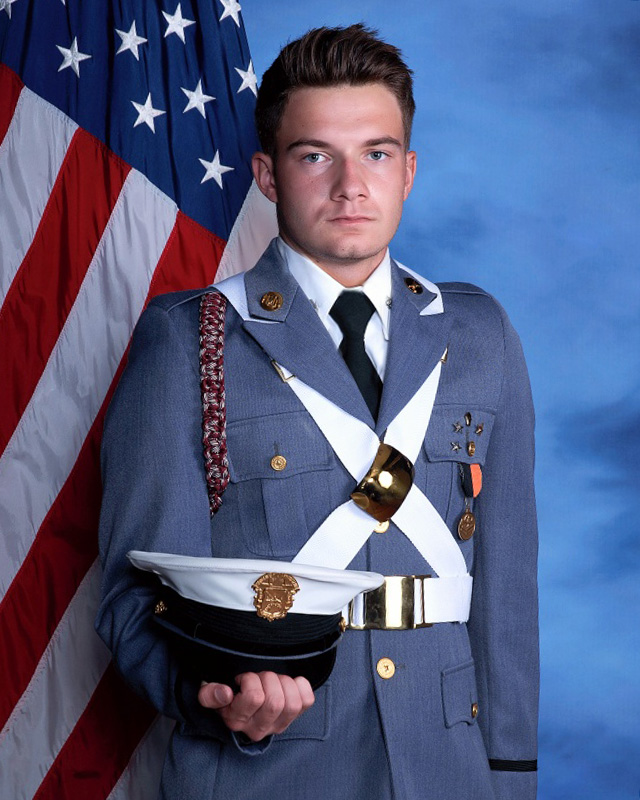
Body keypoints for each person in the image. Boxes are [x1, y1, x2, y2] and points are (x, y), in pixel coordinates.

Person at [97, 24, 539, 800]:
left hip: (449, 768)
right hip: (270, 769)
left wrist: (509, 777)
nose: (349, 185)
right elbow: (136, 595)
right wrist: (210, 692)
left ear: (409, 171)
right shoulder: (189, 340)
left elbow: (506, 596)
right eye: (314, 156)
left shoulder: (479, 335)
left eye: (376, 154)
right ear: (267, 175)